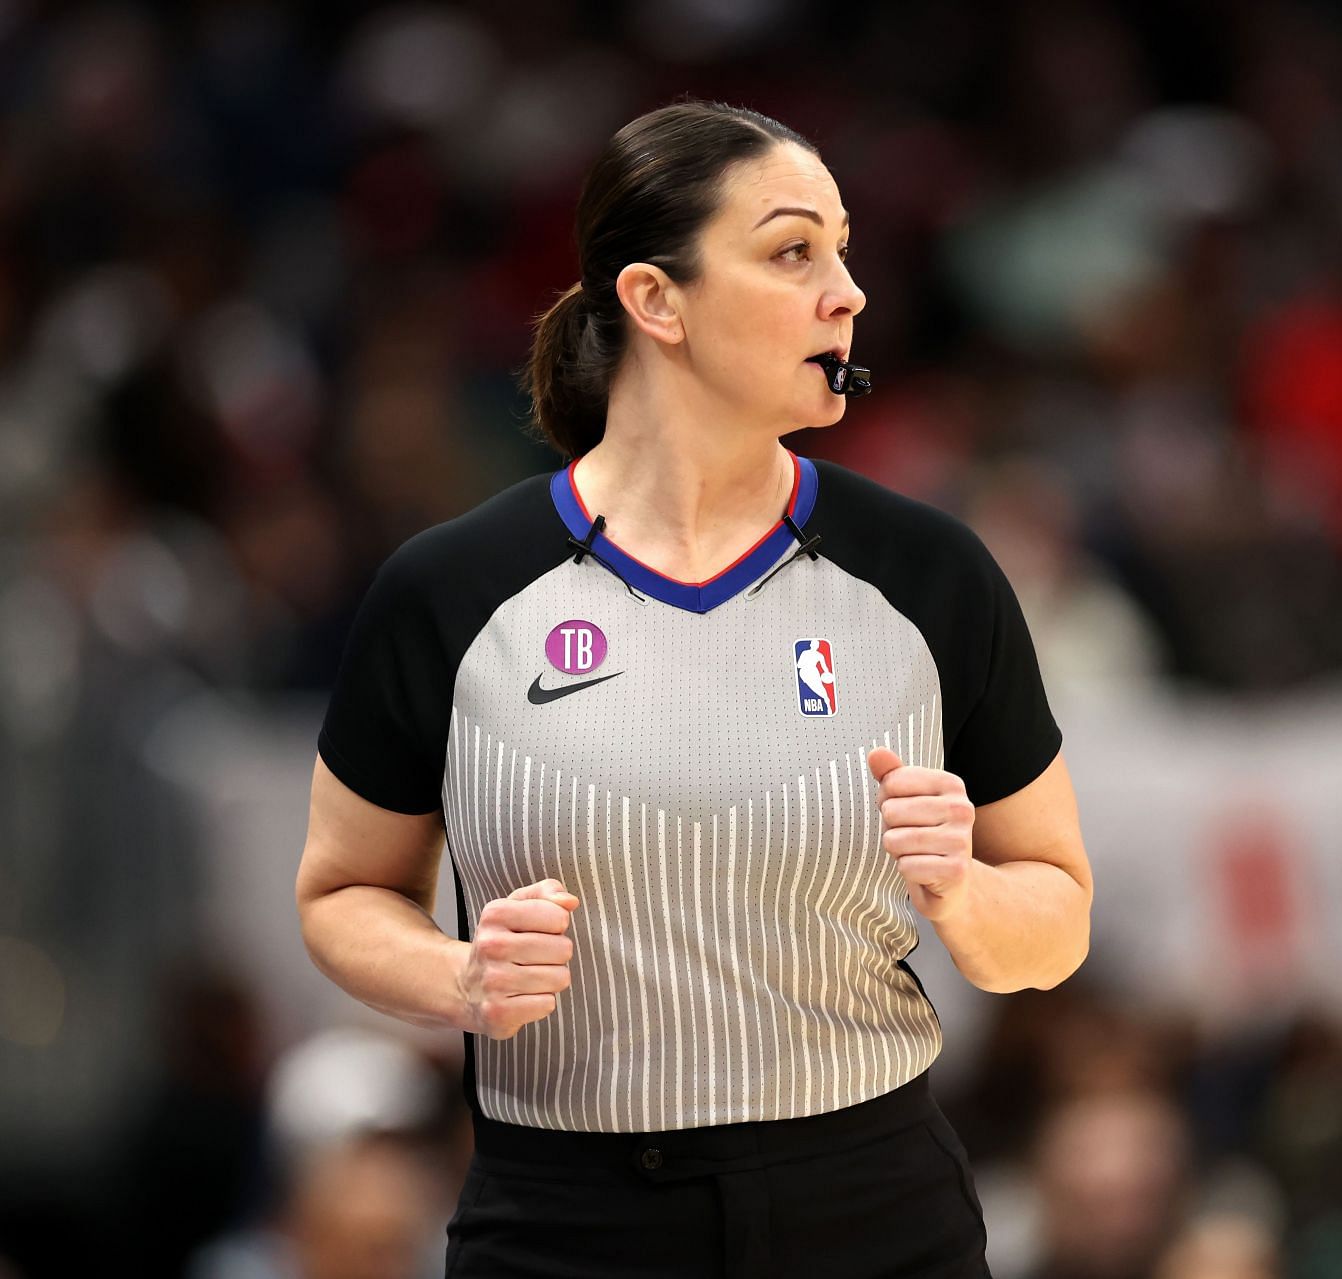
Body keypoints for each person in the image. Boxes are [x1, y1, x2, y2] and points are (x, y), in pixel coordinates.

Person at [294, 99, 1095, 1278]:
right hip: (564, 1225)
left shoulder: (932, 574)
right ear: (655, 300)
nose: (848, 292)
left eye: (843, 248)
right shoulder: (450, 592)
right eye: (792, 251)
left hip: (874, 1211)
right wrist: (459, 975)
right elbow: (340, 895)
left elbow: (1059, 917)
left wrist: (967, 893)